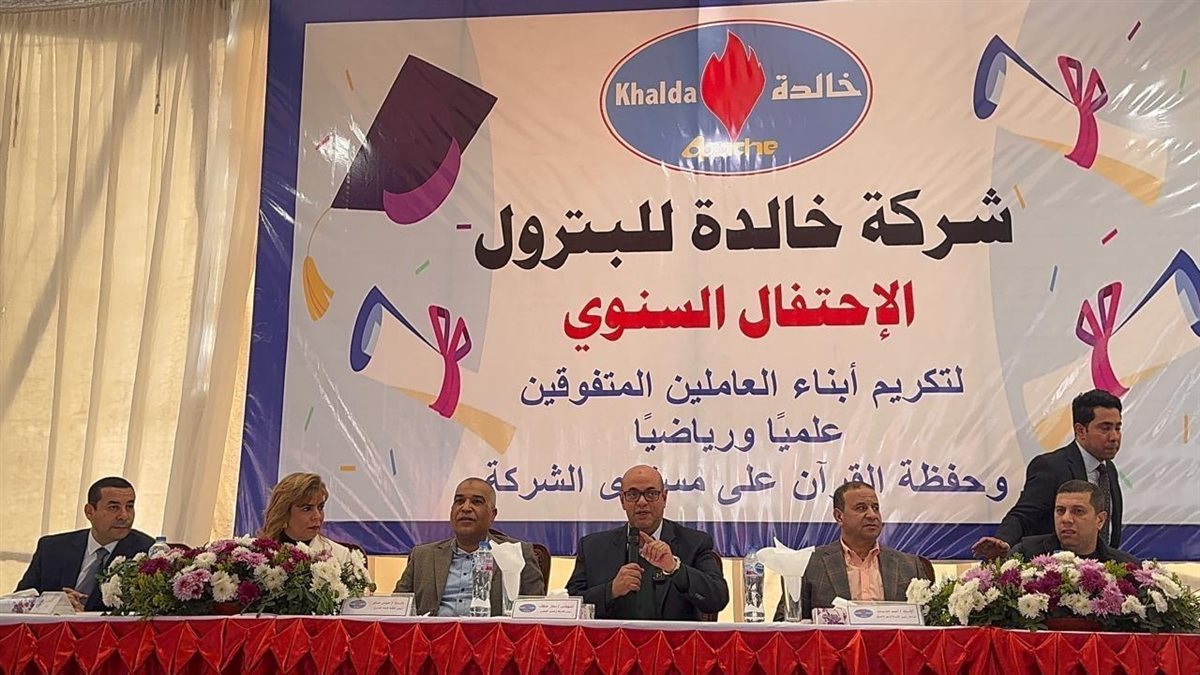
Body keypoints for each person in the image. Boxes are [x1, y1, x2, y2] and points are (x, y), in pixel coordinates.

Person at [972, 389, 1124, 560]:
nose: (1114, 437)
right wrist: (1003, 541)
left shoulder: (1108, 470)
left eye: (1117, 428)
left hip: (1103, 569)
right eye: (1105, 428)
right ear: (1080, 430)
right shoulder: (1051, 467)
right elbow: (1023, 515)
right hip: (1054, 569)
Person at [566, 465, 728, 620]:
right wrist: (611, 590)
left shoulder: (694, 543)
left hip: (672, 639)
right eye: (632, 494)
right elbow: (569, 605)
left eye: (651, 494)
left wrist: (674, 568)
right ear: (622, 500)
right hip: (612, 639)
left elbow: (717, 600)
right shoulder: (592, 547)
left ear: (664, 498)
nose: (642, 502)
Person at [774, 481, 933, 621]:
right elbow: (785, 624)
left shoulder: (911, 566)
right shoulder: (809, 565)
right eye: (861, 508)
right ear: (839, 516)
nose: (872, 515)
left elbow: (932, 623)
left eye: (875, 508)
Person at [395, 477, 545, 616]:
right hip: (433, 635)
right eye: (459, 501)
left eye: (476, 502)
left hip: (491, 635)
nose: (466, 508)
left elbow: (535, 614)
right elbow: (397, 609)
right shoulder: (422, 556)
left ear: (492, 514)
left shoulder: (517, 554)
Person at [16, 477, 154, 612]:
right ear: (89, 512)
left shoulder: (148, 553)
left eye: (129, 507)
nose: (124, 516)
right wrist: (53, 603)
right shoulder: (52, 548)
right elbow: (17, 602)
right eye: (114, 507)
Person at [1009, 480, 1138, 564]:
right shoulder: (1025, 554)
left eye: (1078, 511)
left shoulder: (1124, 566)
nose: (1066, 519)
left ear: (1100, 520)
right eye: (1060, 510)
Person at [259, 472, 358, 567]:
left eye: (320, 507)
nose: (317, 516)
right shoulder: (258, 554)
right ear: (283, 513)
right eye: (307, 509)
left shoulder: (341, 556)